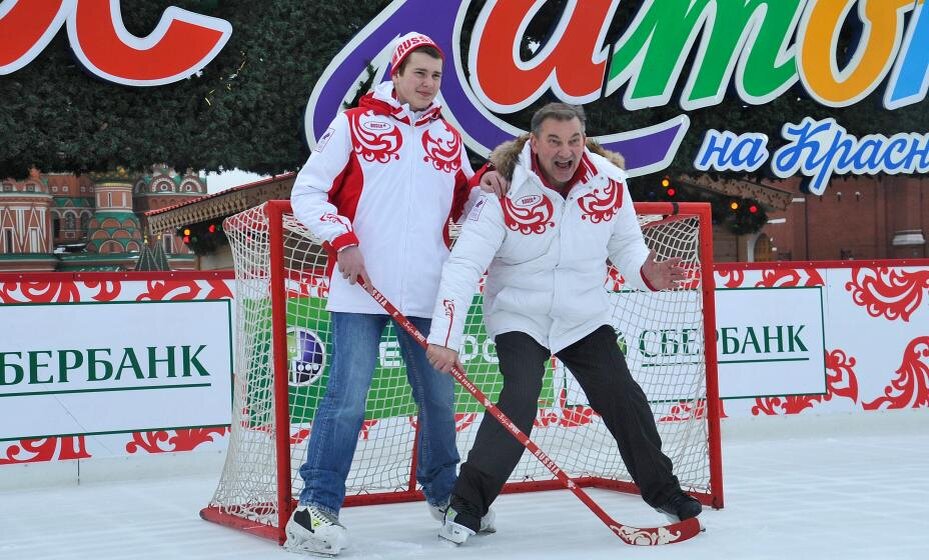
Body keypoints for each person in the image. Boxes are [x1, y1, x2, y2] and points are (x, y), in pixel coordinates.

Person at [425, 102, 703, 545]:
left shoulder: (609, 182)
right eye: (554, 141)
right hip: (520, 316)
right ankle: (467, 504)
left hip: (582, 316)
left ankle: (665, 492)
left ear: (584, 140)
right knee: (518, 400)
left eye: (573, 140)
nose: (565, 151)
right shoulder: (501, 190)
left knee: (623, 395)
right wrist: (445, 336)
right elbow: (462, 267)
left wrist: (647, 271)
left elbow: (627, 246)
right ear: (534, 142)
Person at [286, 32, 497, 555]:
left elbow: (461, 205)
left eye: (435, 77)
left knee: (440, 402)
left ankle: (447, 497)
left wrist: (484, 190)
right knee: (347, 401)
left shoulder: (448, 137)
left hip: (428, 290)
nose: (427, 84)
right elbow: (307, 191)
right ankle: (316, 508)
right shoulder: (354, 124)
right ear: (397, 74)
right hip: (363, 288)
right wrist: (344, 240)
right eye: (418, 73)